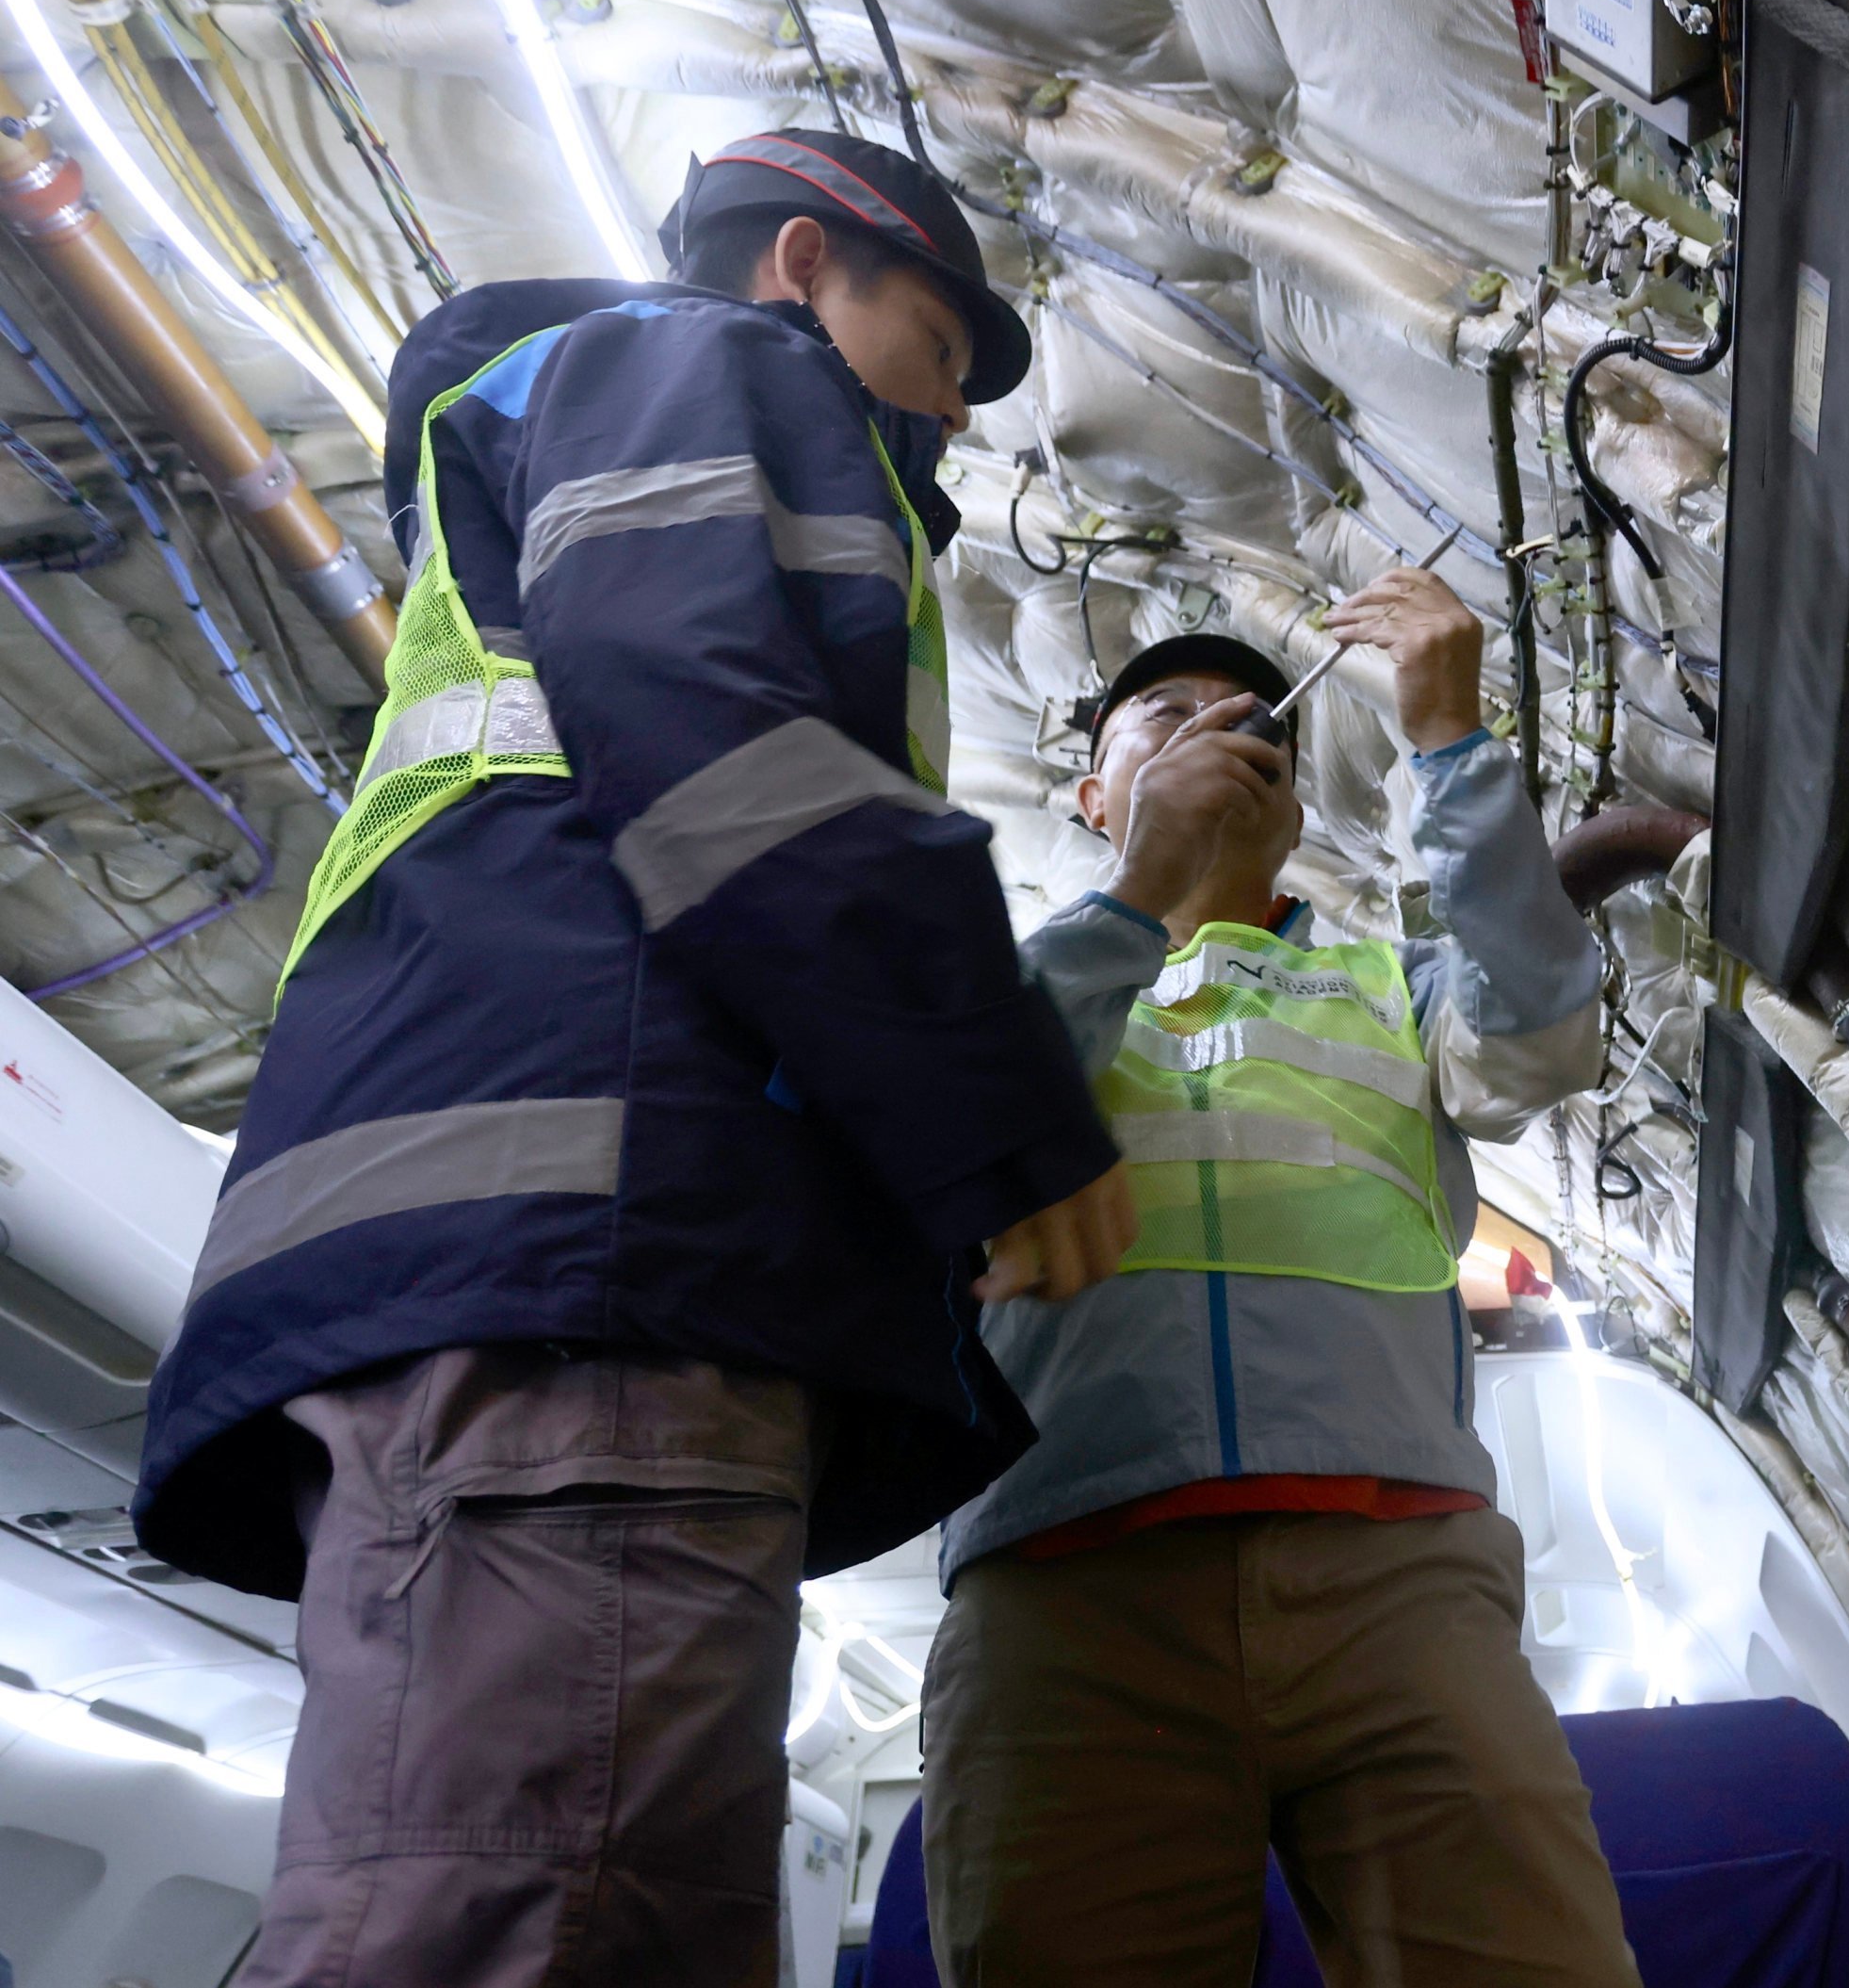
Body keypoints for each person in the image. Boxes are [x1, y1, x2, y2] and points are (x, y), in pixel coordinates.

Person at [131, 129, 1138, 1987]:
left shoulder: (552, 440)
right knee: (552, 1911)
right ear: (802, 270)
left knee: (531, 1892)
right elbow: (709, 724)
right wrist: (990, 1108)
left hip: (545, 1247)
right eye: (931, 351)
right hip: (593, 1249)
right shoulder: (704, 364)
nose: (950, 424)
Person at [917, 585, 1639, 1987]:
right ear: (1088, 794)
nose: (1226, 726)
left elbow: (1545, 1032)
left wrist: (1448, 744)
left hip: (1397, 1572)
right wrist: (1136, 896)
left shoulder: (1397, 984)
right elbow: (954, 1124)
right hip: (1069, 1590)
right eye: (1165, 719)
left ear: (1299, 813)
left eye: (1254, 719)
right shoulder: (999, 990)